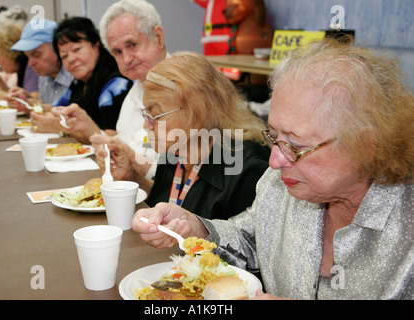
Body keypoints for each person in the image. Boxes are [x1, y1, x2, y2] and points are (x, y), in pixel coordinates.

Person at [132, 38, 414, 299]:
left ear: (364, 144)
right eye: (274, 137)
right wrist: (196, 227)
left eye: (295, 145)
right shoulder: (281, 184)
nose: (274, 161)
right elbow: (251, 237)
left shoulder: (406, 228)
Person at [102, 51, 270, 219]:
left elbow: (244, 242)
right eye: (146, 115)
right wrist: (131, 176)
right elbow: (166, 201)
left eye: (156, 116)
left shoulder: (247, 171)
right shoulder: (175, 149)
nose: (147, 125)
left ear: (198, 112)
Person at [58, 0, 166, 179]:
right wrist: (92, 131)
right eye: (117, 52)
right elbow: (123, 150)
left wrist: (134, 162)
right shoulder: (134, 90)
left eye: (132, 44)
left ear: (158, 38)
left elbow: (185, 182)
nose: (127, 59)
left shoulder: (184, 91)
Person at [37, 17, 133, 143]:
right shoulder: (80, 81)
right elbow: (58, 107)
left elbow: (112, 137)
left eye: (77, 49)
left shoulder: (116, 83)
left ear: (96, 44)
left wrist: (61, 127)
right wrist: (35, 108)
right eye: (64, 56)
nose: (70, 59)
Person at [9, 19, 74, 111]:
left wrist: (36, 107)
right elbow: (47, 104)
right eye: (27, 57)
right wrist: (26, 99)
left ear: (58, 49)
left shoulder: (76, 75)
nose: (30, 64)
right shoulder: (44, 76)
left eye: (36, 55)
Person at [0, 23, 39, 100]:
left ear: (9, 53)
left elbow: (34, 102)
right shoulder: (21, 67)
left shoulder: (30, 66)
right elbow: (14, 94)